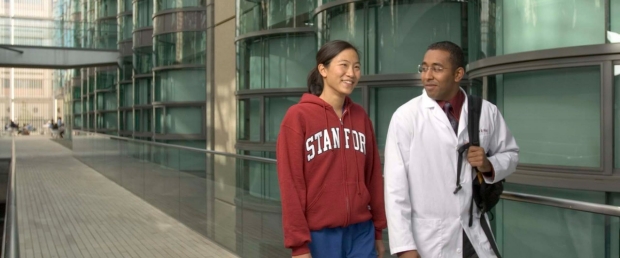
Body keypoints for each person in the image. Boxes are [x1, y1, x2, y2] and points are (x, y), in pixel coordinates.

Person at [383, 41, 519, 258]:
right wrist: (404, 248)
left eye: (437, 68)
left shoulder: (485, 111)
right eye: (424, 67)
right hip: (429, 239)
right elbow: (395, 187)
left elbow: (511, 154)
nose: (427, 76)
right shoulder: (406, 116)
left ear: (457, 74)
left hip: (474, 234)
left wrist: (488, 165)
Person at [276, 40, 387, 258]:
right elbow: (291, 184)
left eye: (356, 66)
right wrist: (298, 246)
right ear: (323, 69)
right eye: (343, 65)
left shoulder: (361, 117)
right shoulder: (298, 117)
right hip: (319, 235)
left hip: (361, 232)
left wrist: (377, 232)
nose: (351, 73)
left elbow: (373, 176)